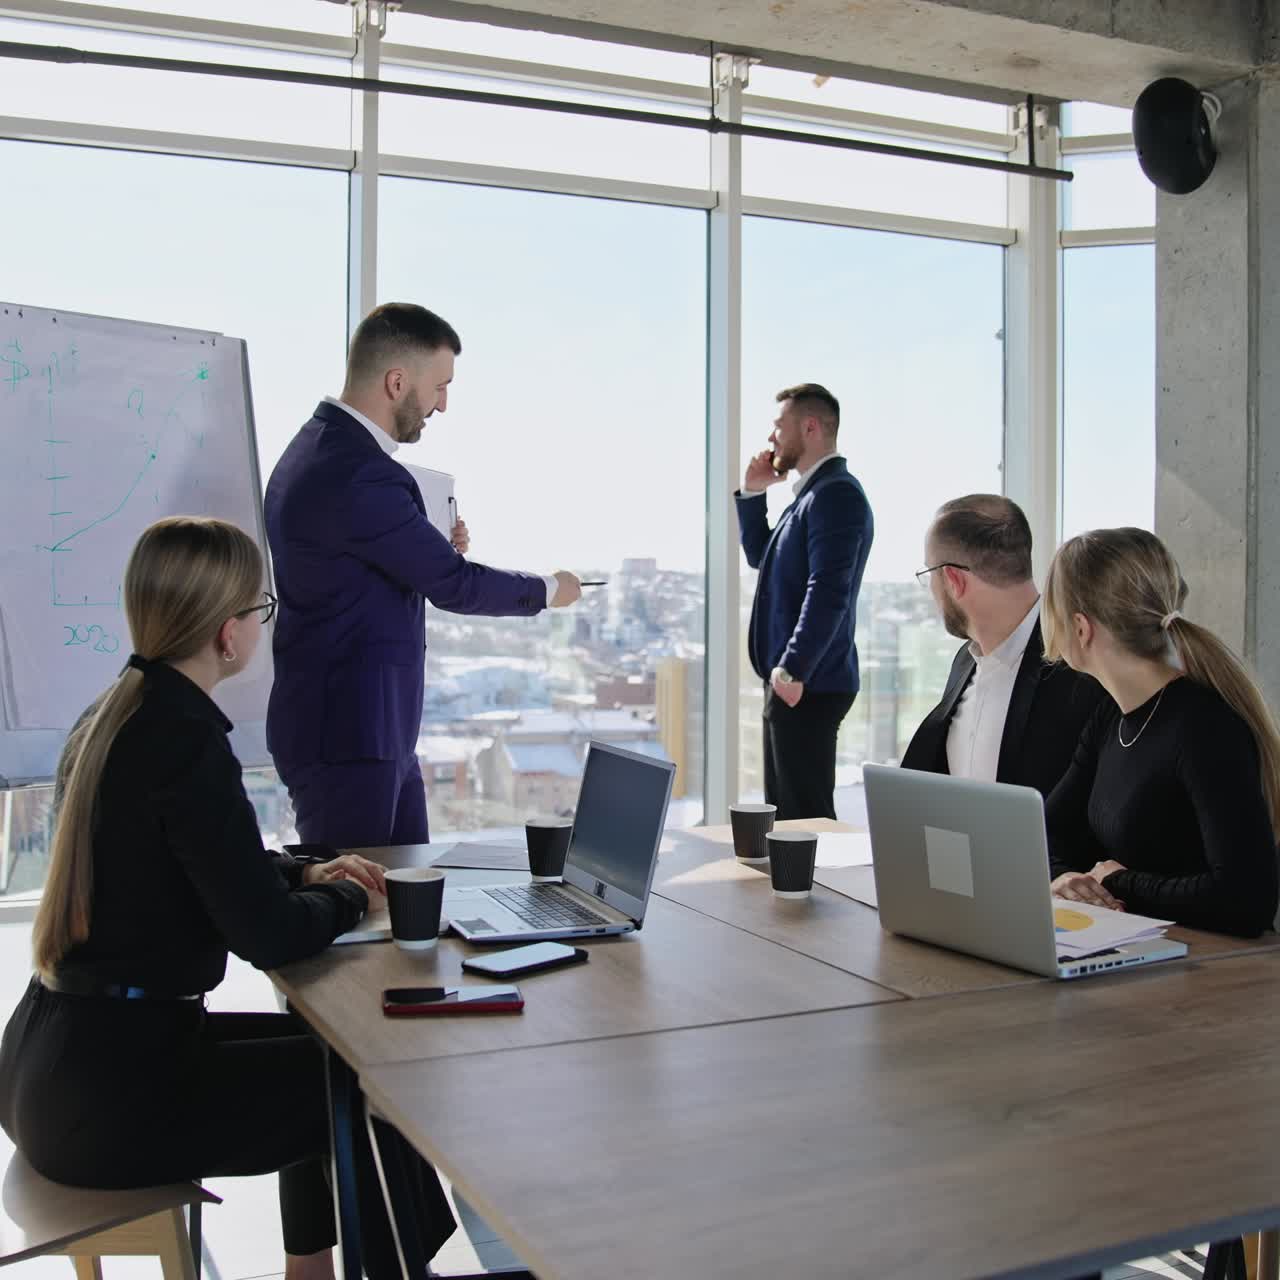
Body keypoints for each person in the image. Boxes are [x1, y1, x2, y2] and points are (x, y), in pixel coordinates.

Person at [0, 517, 455, 1280]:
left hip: (54, 1065)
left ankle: (309, 1270)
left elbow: (193, 862)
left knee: (337, 1057)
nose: (260, 626)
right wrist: (350, 902)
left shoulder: (119, 715)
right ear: (227, 634)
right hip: (112, 1098)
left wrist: (306, 873)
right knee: (370, 1085)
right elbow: (269, 937)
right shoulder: (184, 742)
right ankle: (400, 1272)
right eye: (260, 610)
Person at [266, 302, 581, 848]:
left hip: (373, 731)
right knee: (361, 909)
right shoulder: (360, 472)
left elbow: (368, 560)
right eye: (439, 387)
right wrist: (550, 590)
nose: (443, 404)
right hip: (350, 737)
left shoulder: (321, 449)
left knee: (406, 900)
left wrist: (425, 541)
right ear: (396, 381)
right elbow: (455, 585)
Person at [1041, 526, 1280, 937]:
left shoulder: (1205, 727)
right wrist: (1066, 881)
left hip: (1217, 975)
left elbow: (1247, 900)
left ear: (1081, 629)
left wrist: (1117, 882)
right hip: (1148, 954)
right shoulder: (1110, 717)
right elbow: (1046, 834)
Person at [901, 494, 1106, 795]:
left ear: (953, 579)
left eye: (928, 574)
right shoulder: (964, 661)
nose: (930, 590)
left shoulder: (1078, 665)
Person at [736, 383, 874, 820]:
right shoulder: (811, 498)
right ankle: (791, 889)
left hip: (808, 681)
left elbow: (828, 589)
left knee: (804, 820)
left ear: (810, 427)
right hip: (794, 680)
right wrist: (754, 493)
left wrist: (794, 668)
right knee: (784, 816)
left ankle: (812, 890)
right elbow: (763, 555)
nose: (772, 438)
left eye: (779, 426)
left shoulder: (837, 495)